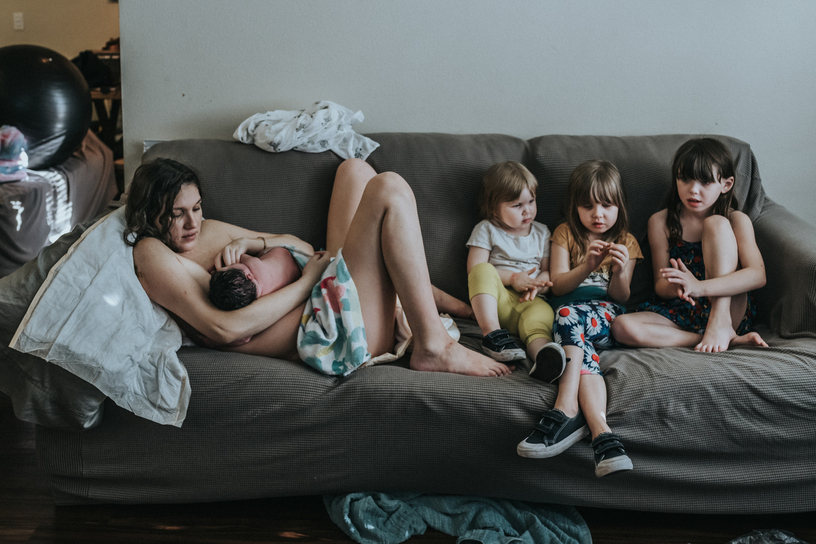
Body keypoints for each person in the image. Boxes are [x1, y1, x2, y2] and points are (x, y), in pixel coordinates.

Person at [125, 157, 510, 377]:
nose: (193, 224)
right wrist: (308, 278)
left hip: (325, 295)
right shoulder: (153, 255)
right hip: (335, 332)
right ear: (148, 214)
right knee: (388, 188)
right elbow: (226, 328)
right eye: (177, 214)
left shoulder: (202, 231)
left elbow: (300, 247)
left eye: (196, 208)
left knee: (355, 170)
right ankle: (433, 346)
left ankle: (408, 301)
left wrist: (253, 243)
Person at [516, 159, 642, 478]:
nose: (597, 214)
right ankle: (602, 435)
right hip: (571, 325)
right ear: (575, 206)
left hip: (604, 317)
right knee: (573, 329)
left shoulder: (626, 241)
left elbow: (621, 297)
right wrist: (586, 265)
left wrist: (618, 270)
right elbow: (557, 284)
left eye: (606, 205)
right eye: (588, 206)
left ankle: (565, 407)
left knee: (567, 316)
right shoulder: (565, 233)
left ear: (619, 206)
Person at [610, 137, 768, 353]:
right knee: (621, 327)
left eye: (705, 182)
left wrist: (700, 287)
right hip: (682, 309)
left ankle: (721, 325)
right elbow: (660, 285)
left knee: (716, 224)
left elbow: (757, 275)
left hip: (729, 308)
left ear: (726, 184)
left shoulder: (736, 221)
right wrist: (680, 285)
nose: (694, 190)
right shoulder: (660, 222)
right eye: (685, 179)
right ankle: (715, 338)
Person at [466, 161, 565, 381]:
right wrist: (513, 278)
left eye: (531, 201)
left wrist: (537, 285)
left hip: (531, 300)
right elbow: (474, 270)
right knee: (482, 270)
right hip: (496, 300)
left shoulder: (542, 232)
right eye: (517, 205)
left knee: (539, 321)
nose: (527, 210)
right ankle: (492, 335)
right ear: (494, 208)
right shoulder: (487, 229)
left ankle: (543, 358)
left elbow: (549, 271)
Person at [209, 245, 301, 311]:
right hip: (292, 256)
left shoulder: (262, 298)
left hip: (297, 277)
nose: (232, 264)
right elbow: (241, 255)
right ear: (249, 276)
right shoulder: (254, 265)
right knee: (262, 254)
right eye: (231, 266)